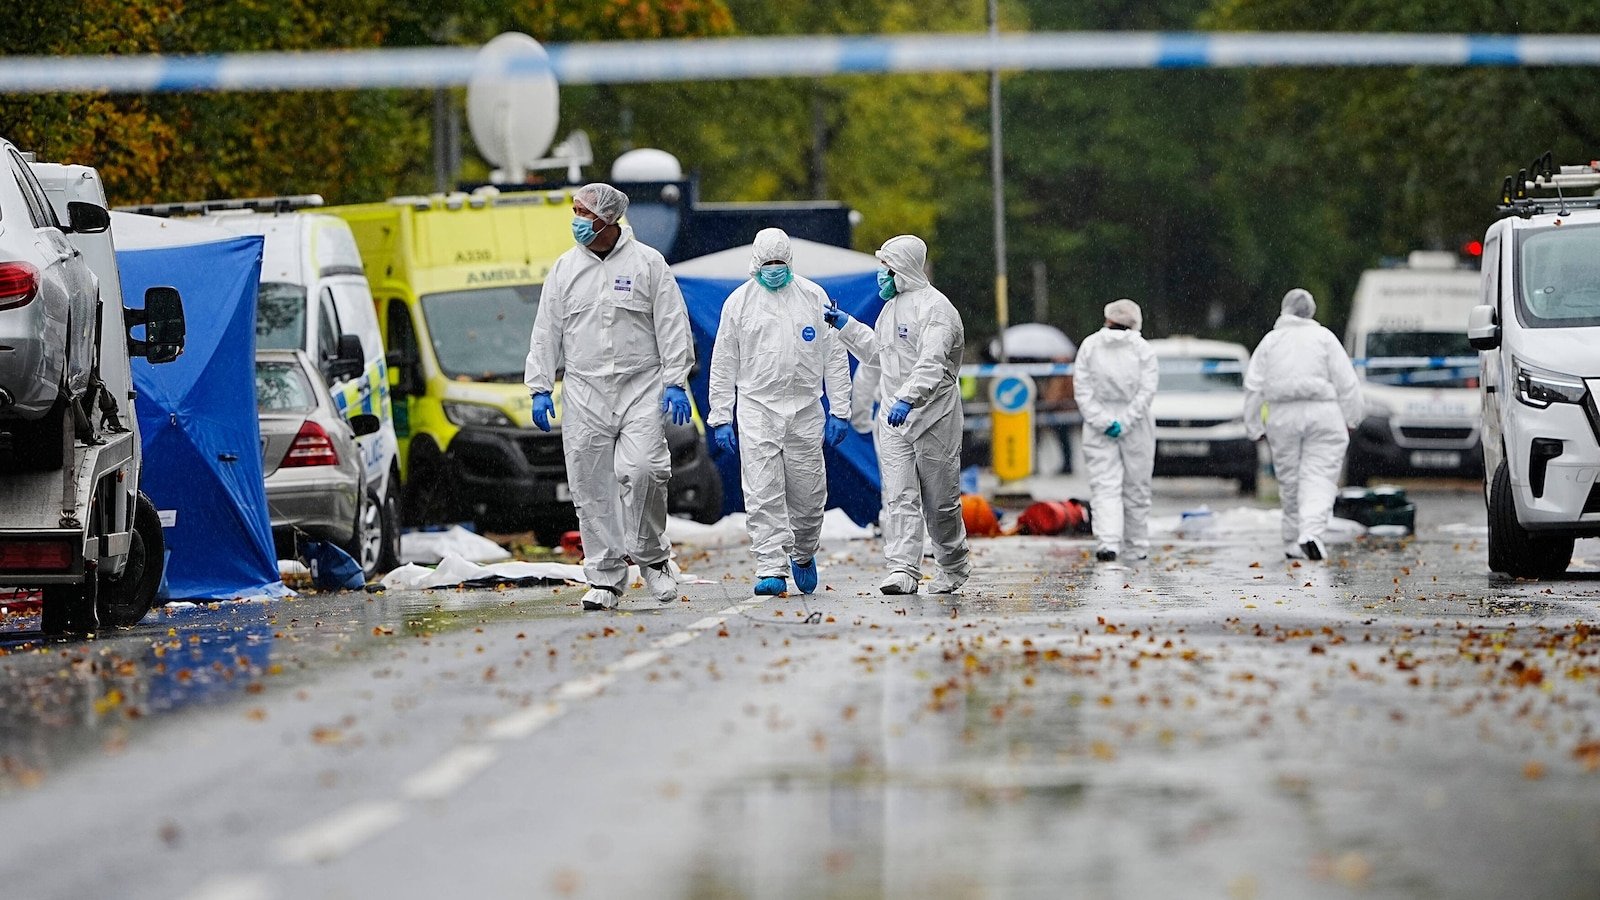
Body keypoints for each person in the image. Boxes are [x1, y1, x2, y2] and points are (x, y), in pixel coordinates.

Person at [524, 183, 694, 610]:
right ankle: (605, 577)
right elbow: (547, 331)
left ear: (606, 218)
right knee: (589, 482)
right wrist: (540, 386)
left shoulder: (648, 264)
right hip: (584, 390)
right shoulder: (564, 270)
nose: (576, 218)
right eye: (575, 210)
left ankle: (654, 560)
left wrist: (676, 380)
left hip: (641, 386)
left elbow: (672, 323)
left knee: (645, 471)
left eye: (582, 211)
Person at [823, 234, 971, 595]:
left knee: (940, 500)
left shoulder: (936, 309)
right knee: (899, 495)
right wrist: (846, 326)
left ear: (902, 269)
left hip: (934, 416)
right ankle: (903, 568)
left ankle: (952, 565)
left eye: (885, 269)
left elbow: (932, 362)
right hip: (894, 417)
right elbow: (879, 354)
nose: (881, 277)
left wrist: (909, 397)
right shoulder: (891, 308)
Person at [708, 228, 852, 596]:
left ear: (790, 262)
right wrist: (721, 415)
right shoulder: (739, 303)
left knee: (808, 494)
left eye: (780, 263)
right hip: (757, 406)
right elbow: (724, 361)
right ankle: (770, 565)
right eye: (768, 264)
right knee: (762, 490)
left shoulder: (813, 296)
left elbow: (834, 355)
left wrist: (840, 408)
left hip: (805, 406)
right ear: (756, 263)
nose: (774, 270)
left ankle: (803, 552)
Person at [1243, 288, 1362, 561]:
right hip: (1324, 414)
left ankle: (1291, 541)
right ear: (1311, 311)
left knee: (1290, 479)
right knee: (1319, 477)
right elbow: (1347, 381)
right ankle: (1311, 534)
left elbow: (1253, 385)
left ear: (1284, 310)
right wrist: (1353, 417)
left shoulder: (1271, 342)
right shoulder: (1324, 339)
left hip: (1282, 416)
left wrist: (1253, 426)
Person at [1073, 299, 1159, 563]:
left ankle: (1107, 543)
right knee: (1137, 486)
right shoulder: (1143, 349)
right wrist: (1127, 420)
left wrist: (1103, 421)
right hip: (1137, 424)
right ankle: (1137, 546)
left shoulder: (1090, 345)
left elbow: (1082, 389)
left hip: (1099, 425)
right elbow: (1147, 390)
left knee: (1104, 485)